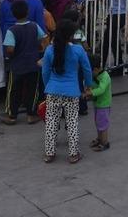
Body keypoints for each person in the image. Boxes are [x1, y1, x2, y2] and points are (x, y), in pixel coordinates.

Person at [42, 19, 94, 163]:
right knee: (72, 122)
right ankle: (73, 154)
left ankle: (49, 153)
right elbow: (87, 69)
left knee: (51, 122)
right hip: (72, 92)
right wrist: (88, 85)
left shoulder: (49, 50)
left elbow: (45, 72)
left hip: (53, 90)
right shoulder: (78, 50)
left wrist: (48, 86)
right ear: (70, 35)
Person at [0, 0, 46, 125]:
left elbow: (10, 49)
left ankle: (12, 115)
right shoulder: (34, 26)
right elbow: (42, 39)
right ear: (28, 12)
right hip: (33, 64)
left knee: (14, 90)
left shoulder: (11, 30)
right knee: (33, 90)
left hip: (17, 65)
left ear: (13, 14)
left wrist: (11, 54)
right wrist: (38, 47)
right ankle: (31, 115)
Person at [102, 0, 128, 70]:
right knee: (114, 40)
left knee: (107, 40)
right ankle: (119, 64)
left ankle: (101, 65)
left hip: (115, 13)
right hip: (123, 12)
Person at [88, 62, 112, 152]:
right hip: (97, 103)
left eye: (91, 71)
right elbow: (93, 84)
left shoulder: (105, 76)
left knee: (103, 124)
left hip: (104, 105)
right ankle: (99, 139)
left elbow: (101, 89)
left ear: (96, 69)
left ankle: (105, 143)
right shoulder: (96, 75)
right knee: (98, 123)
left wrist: (91, 92)